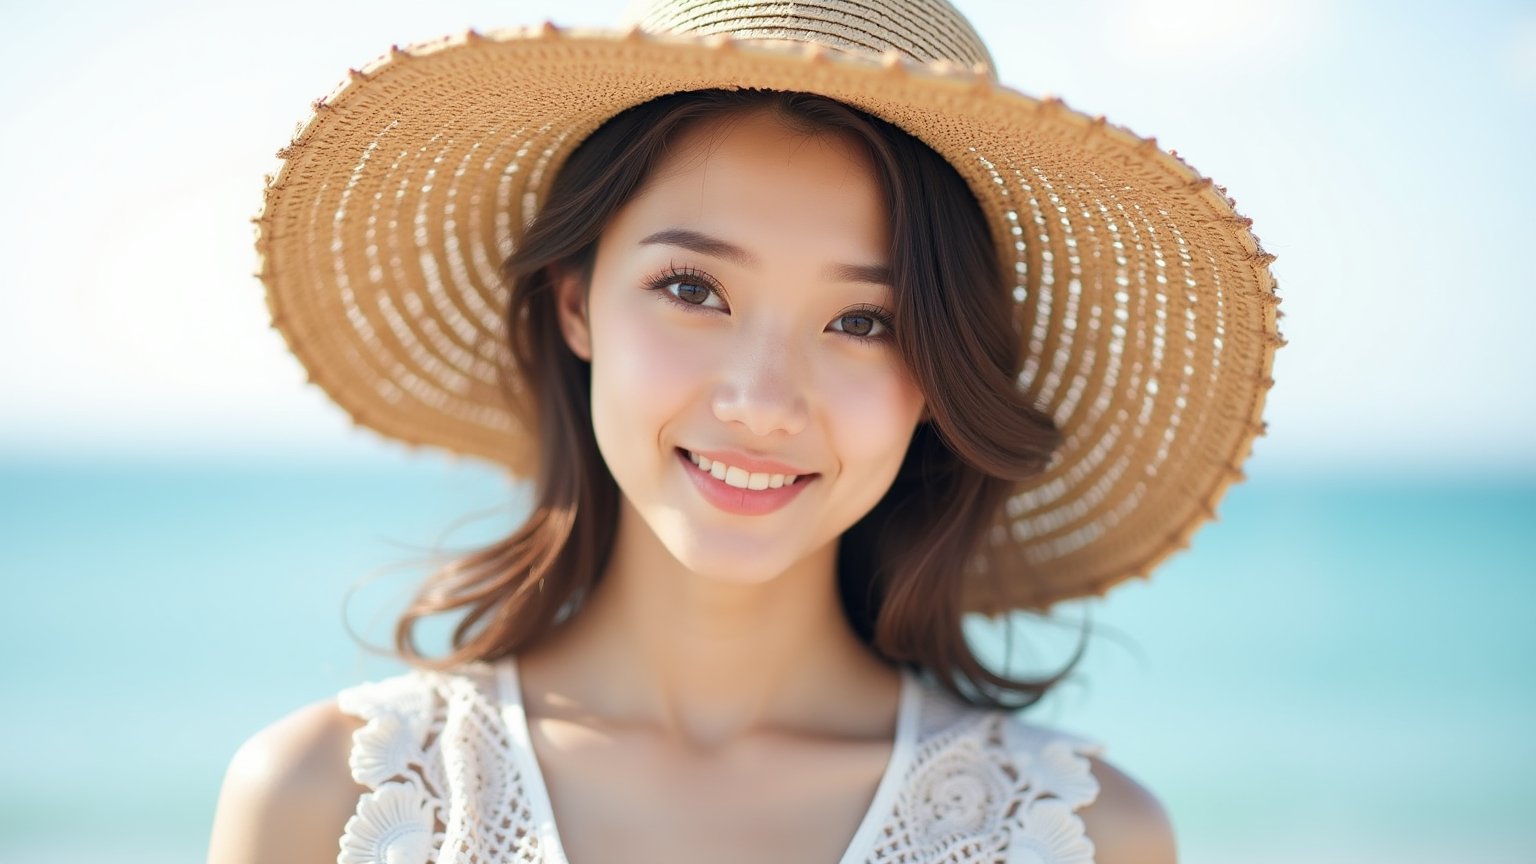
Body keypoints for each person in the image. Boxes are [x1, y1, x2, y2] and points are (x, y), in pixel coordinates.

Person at [208, 0, 1279, 861]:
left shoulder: (1085, 838)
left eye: (863, 321)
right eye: (692, 288)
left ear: (936, 380)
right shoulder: (325, 804)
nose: (763, 399)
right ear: (575, 302)